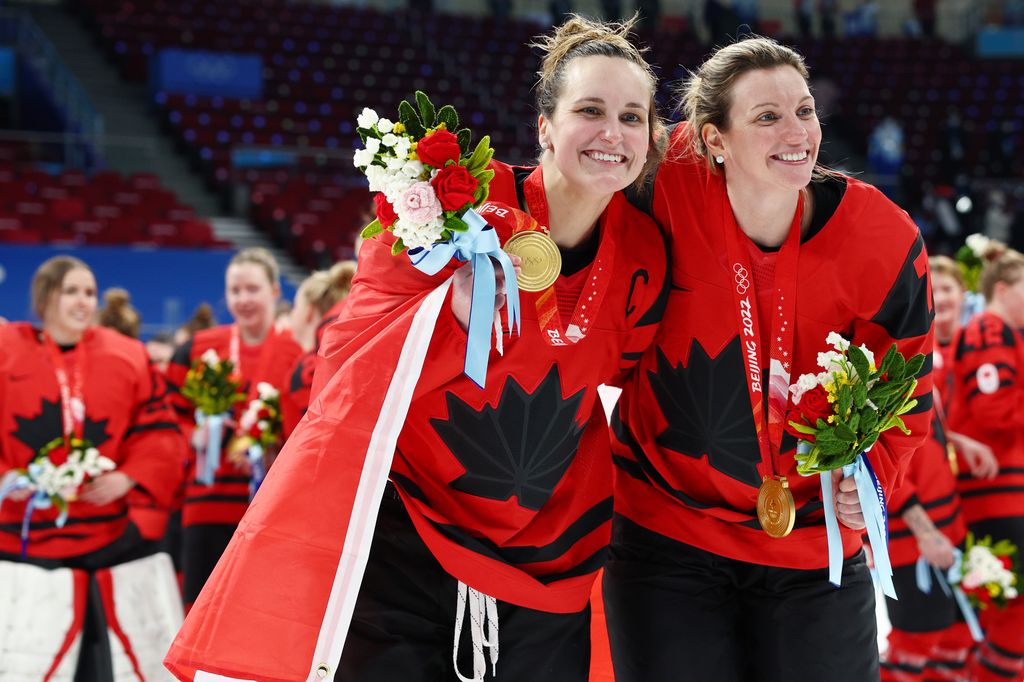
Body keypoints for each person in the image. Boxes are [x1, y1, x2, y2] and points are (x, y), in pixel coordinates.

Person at [165, 15, 668, 682]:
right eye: (590, 110)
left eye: (633, 117)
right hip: (408, 542)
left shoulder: (646, 254)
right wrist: (450, 315)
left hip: (552, 562)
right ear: (544, 126)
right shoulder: (452, 214)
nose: (614, 133)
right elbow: (341, 360)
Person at [603, 36, 935, 681]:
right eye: (766, 116)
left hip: (814, 551)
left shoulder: (882, 237)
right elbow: (570, 184)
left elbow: (909, 382)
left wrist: (873, 476)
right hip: (666, 536)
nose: (797, 132)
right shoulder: (664, 179)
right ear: (712, 139)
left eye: (805, 111)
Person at [0, 255, 186, 680]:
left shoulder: (127, 355)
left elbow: (161, 432)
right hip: (24, 544)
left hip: (110, 543)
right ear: (45, 299)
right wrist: (6, 476)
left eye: (89, 292)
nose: (83, 302)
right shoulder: (7, 351)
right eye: (71, 292)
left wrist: (128, 477)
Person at [164, 247, 302, 607]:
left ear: (274, 291)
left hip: (272, 506)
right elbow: (165, 415)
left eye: (252, 289)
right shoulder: (198, 349)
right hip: (207, 505)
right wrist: (192, 436)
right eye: (235, 290)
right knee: (199, 612)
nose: (243, 299)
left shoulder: (297, 351)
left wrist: (278, 449)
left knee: (261, 611)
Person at [947, 248, 1024, 682]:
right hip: (996, 491)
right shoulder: (990, 330)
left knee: (1004, 603)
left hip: (1001, 489)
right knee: (1012, 605)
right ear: (1002, 288)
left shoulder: (996, 330)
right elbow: (995, 411)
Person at [280, 260, 357, 439]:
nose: (292, 315)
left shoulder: (308, 366)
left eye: (295, 306)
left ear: (308, 310)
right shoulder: (327, 346)